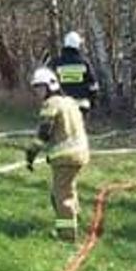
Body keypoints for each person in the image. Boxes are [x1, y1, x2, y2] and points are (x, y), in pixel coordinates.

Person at [24, 67, 91, 241]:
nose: (37, 92)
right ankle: (76, 221)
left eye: (40, 87)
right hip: (81, 153)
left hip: (65, 157)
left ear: (50, 86)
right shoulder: (69, 101)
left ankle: (66, 234)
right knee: (69, 189)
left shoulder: (51, 104)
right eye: (36, 88)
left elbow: (44, 133)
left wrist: (31, 154)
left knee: (61, 196)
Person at [46, 31, 101, 114]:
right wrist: (93, 101)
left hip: (62, 104)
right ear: (78, 45)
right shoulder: (84, 63)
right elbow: (93, 85)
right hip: (81, 104)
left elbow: (49, 84)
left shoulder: (56, 63)